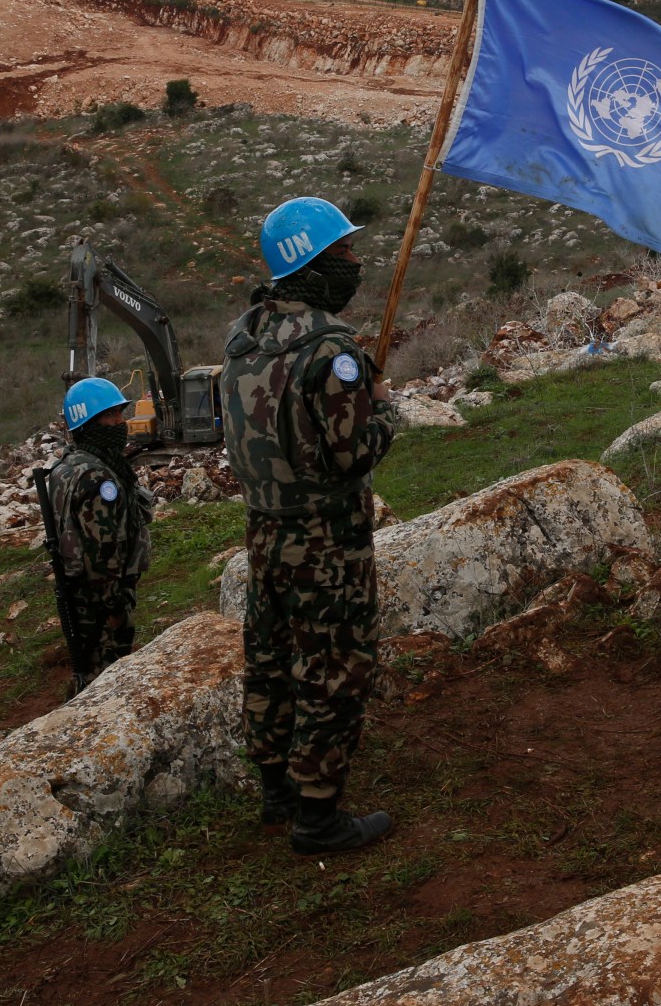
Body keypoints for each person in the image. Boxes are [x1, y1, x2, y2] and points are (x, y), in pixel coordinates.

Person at [222, 197, 400, 855]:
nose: (355, 264)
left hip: (264, 531)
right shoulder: (333, 349)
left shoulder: (242, 337)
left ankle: (277, 790)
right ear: (315, 264)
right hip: (327, 542)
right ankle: (319, 818)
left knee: (269, 660)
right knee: (333, 666)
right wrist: (384, 408)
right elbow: (352, 452)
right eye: (345, 253)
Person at [41, 377, 152, 697]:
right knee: (107, 683)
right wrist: (116, 609)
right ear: (86, 424)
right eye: (109, 417)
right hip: (101, 603)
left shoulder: (68, 465)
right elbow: (102, 555)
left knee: (92, 674)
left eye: (120, 414)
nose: (120, 423)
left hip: (81, 595)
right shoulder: (97, 476)